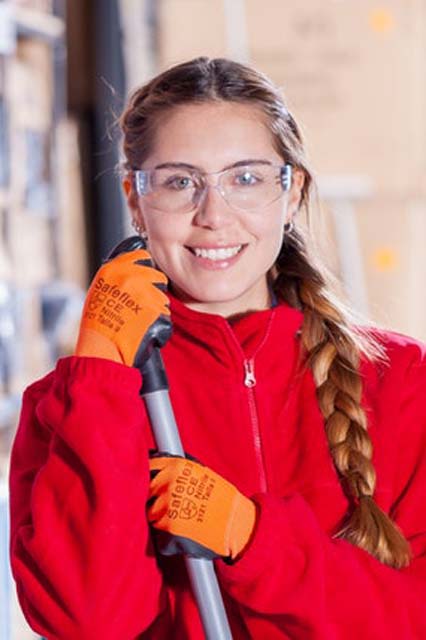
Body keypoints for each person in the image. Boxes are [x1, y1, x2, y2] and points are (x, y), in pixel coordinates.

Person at [8, 57, 426, 640]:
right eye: (180, 182)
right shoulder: (71, 403)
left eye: (245, 179)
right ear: (135, 199)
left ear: (292, 191)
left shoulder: (400, 378)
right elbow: (89, 622)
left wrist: (254, 538)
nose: (213, 215)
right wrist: (100, 374)